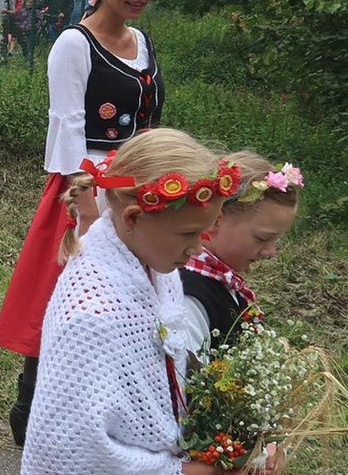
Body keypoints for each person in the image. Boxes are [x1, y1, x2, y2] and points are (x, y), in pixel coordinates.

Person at [0, 0, 164, 447]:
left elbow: (152, 123)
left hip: (138, 185)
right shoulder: (74, 42)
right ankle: (30, 403)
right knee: (65, 291)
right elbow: (66, 123)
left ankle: (109, 406)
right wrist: (85, 204)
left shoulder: (143, 44)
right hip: (86, 184)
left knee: (129, 298)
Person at [21, 128, 240, 475]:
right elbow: (69, 449)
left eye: (204, 232)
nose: (199, 248)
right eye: (188, 233)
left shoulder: (158, 269)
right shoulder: (91, 316)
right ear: (134, 217)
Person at [182, 153, 302, 353]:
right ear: (215, 220)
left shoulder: (221, 282)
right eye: (262, 239)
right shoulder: (188, 299)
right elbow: (184, 379)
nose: (271, 252)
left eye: (276, 240)